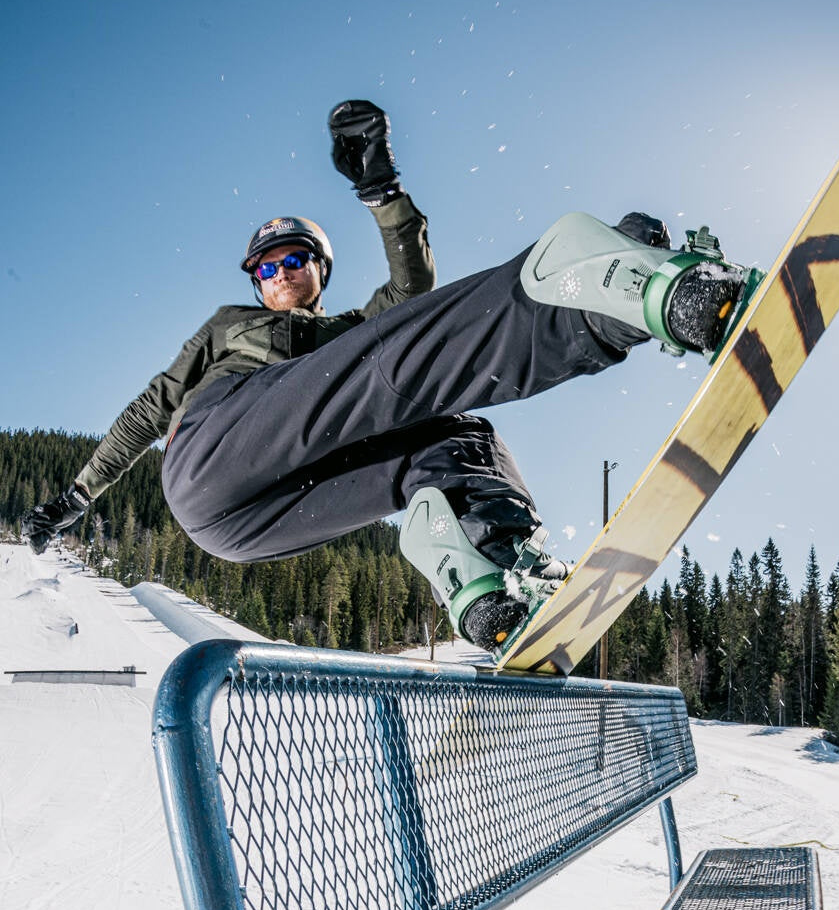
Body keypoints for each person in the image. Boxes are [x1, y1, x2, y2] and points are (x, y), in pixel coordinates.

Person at [23, 100, 757, 650]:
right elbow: (147, 412)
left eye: (295, 260)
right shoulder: (225, 329)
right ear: (254, 282)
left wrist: (382, 194)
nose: (281, 274)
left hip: (261, 521)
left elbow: (411, 301)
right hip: (211, 462)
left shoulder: (344, 335)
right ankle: (598, 292)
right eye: (267, 267)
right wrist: (74, 496)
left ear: (318, 270)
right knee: (385, 366)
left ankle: (485, 577)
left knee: (452, 432)